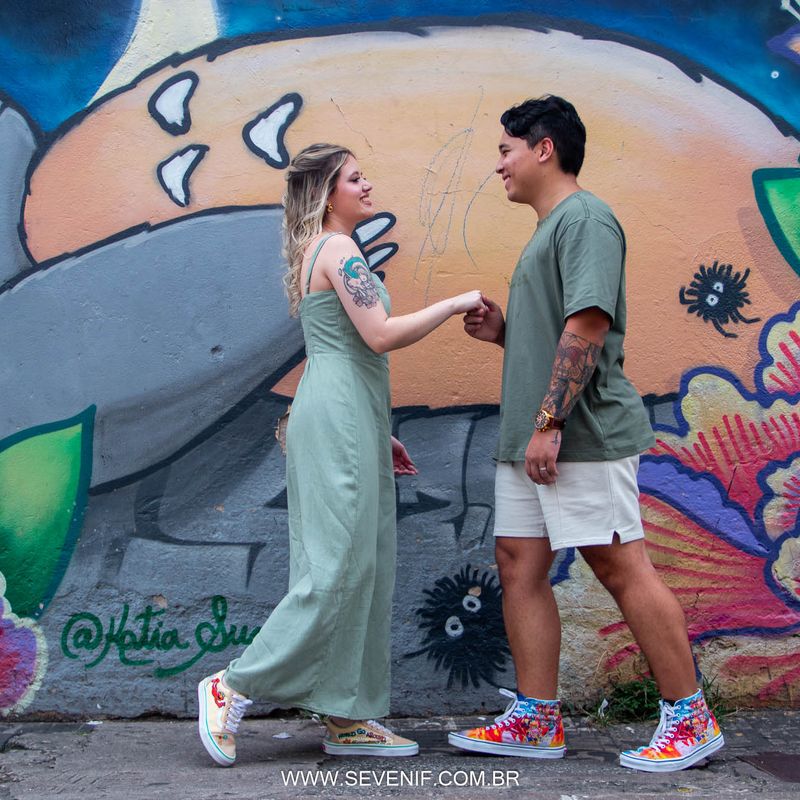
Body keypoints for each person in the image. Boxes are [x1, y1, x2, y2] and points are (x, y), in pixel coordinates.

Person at [448, 96, 724, 773]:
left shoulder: (587, 219)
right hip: (533, 436)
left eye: (507, 149)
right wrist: (507, 334)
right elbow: (557, 330)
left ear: (545, 148)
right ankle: (537, 720)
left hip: (577, 433)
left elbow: (590, 327)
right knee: (518, 563)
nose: (499, 164)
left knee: (618, 564)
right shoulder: (550, 228)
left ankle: (691, 719)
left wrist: (550, 423)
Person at [197, 143, 485, 766]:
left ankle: (348, 714)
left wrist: (377, 430)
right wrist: (456, 303)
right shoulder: (337, 249)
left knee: (362, 569)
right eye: (356, 178)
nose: (368, 185)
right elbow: (379, 335)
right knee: (335, 571)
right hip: (337, 421)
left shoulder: (326, 251)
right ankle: (232, 686)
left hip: (347, 418)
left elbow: (345, 350)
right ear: (330, 192)